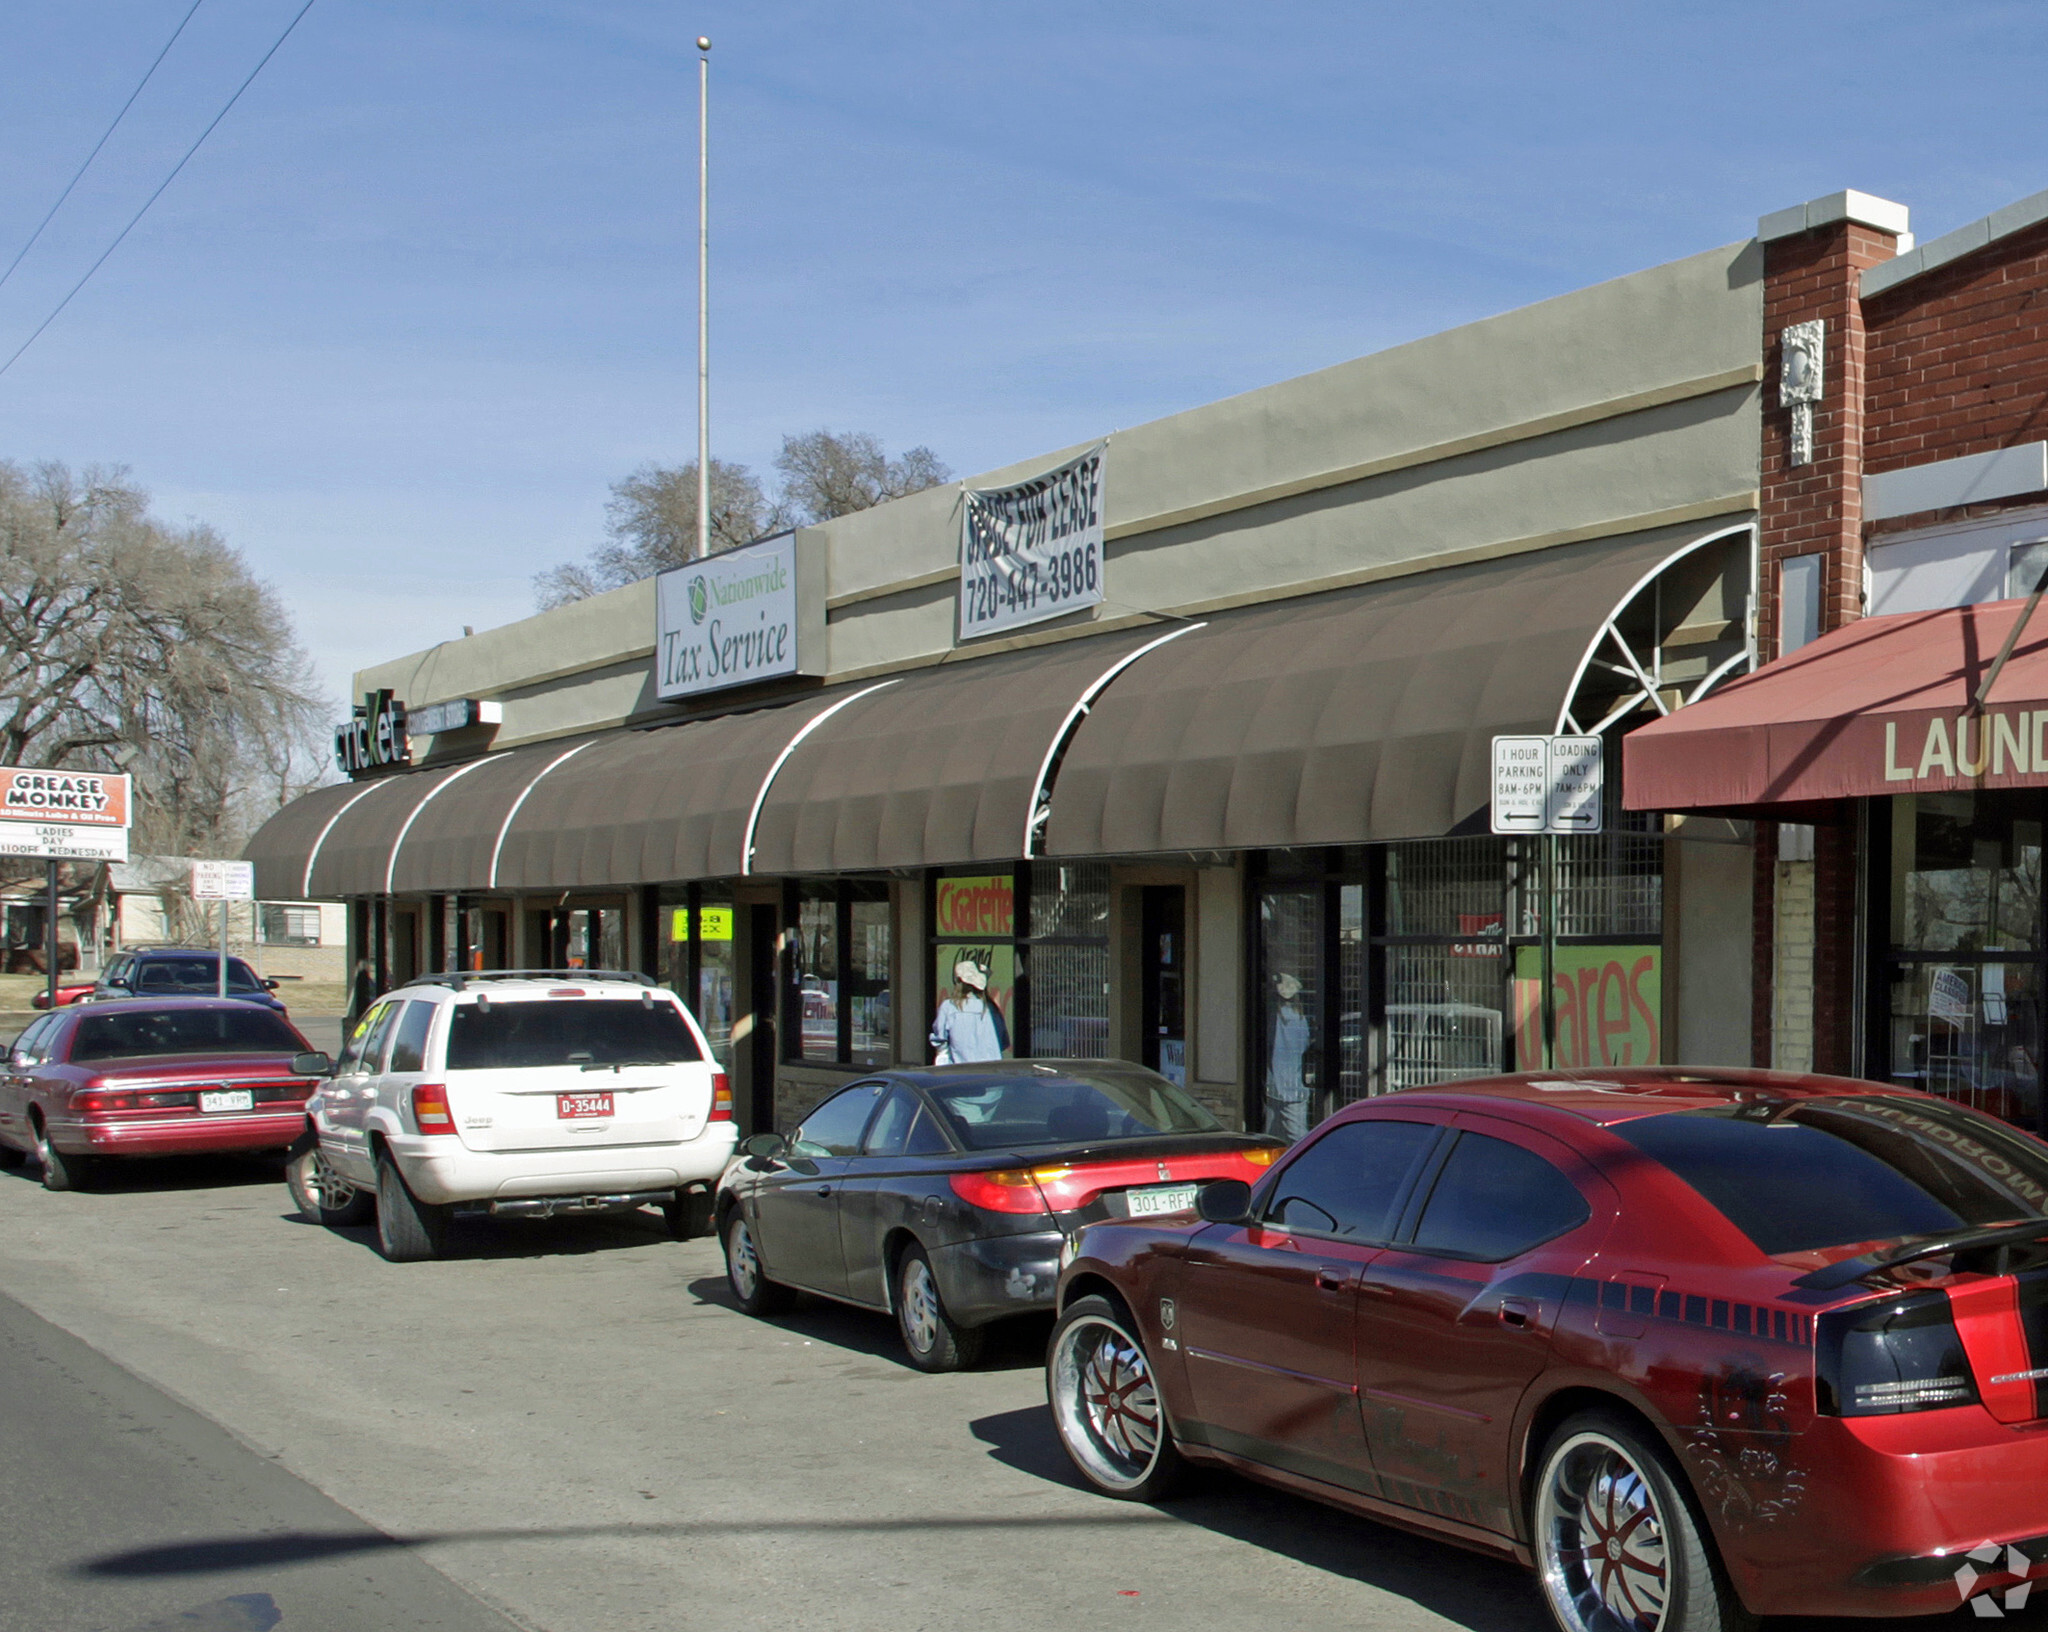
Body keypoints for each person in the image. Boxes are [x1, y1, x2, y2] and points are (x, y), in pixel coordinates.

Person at [1264, 972, 1312, 1142]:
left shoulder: (1280, 1017)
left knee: (1279, 1136)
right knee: (1290, 1134)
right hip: (1293, 1085)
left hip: (1281, 1085)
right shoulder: (1299, 1016)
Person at [930, 959, 1007, 1065]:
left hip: (962, 1073)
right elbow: (1003, 1042)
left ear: (958, 981)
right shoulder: (990, 1008)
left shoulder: (949, 1007)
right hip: (991, 1073)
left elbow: (940, 1041)